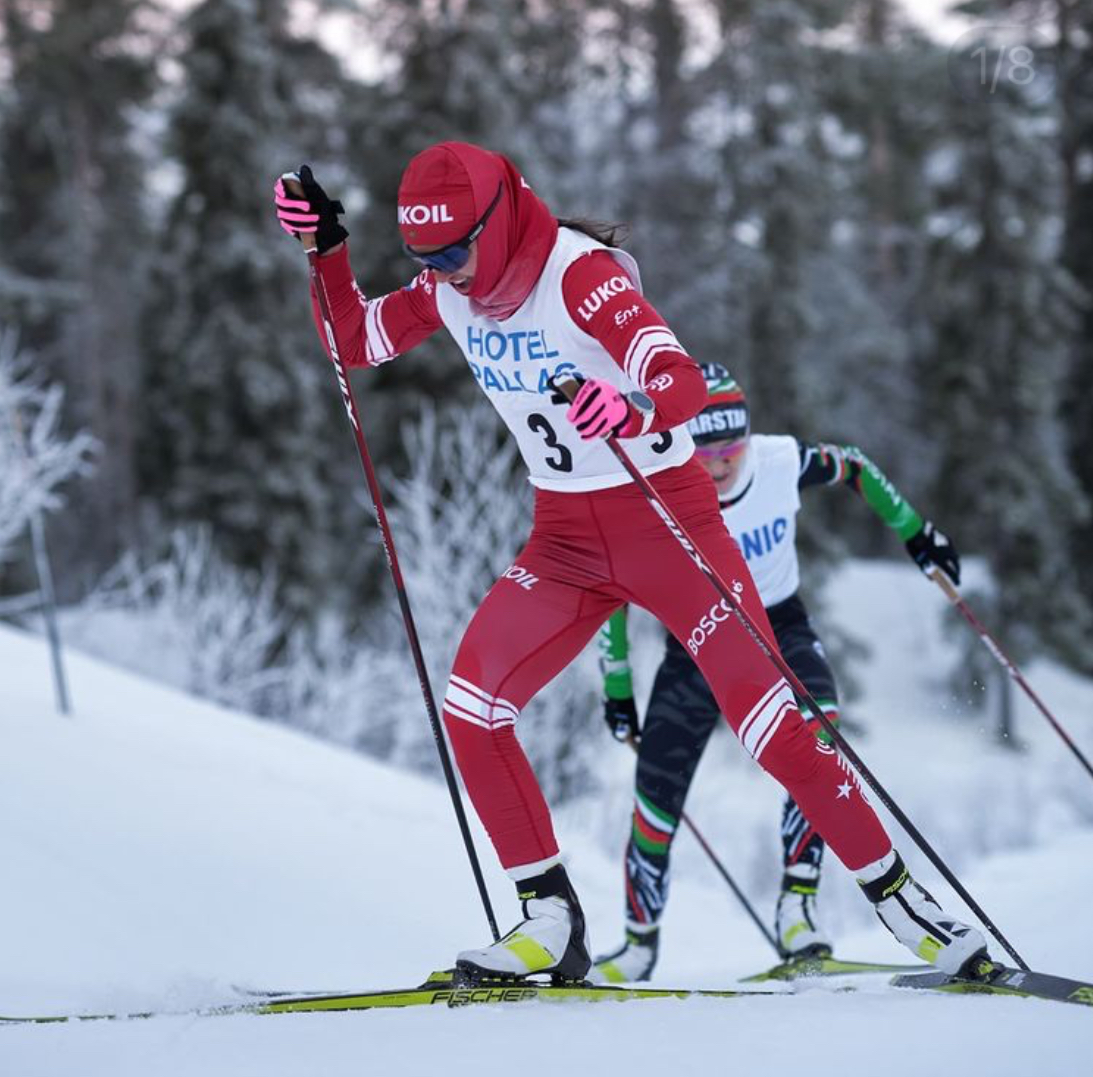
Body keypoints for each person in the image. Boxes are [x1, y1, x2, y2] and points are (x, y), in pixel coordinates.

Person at [272, 141, 985, 983]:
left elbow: (677, 379)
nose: (447, 274)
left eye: (457, 252)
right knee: (471, 706)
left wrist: (632, 403)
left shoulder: (580, 276)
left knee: (771, 726)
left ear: (497, 226)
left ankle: (902, 901)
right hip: (565, 540)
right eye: (428, 258)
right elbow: (352, 342)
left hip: (666, 523)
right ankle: (549, 918)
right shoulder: (447, 289)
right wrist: (327, 252)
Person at [593, 366, 963, 982]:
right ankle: (637, 943)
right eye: (704, 451)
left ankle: (799, 903)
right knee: (656, 793)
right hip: (697, 641)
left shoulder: (779, 460)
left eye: (730, 449)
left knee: (819, 741)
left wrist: (917, 534)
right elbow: (614, 593)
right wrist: (618, 689)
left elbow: (856, 467)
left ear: (747, 437)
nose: (718, 467)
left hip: (780, 628)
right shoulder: (659, 480)